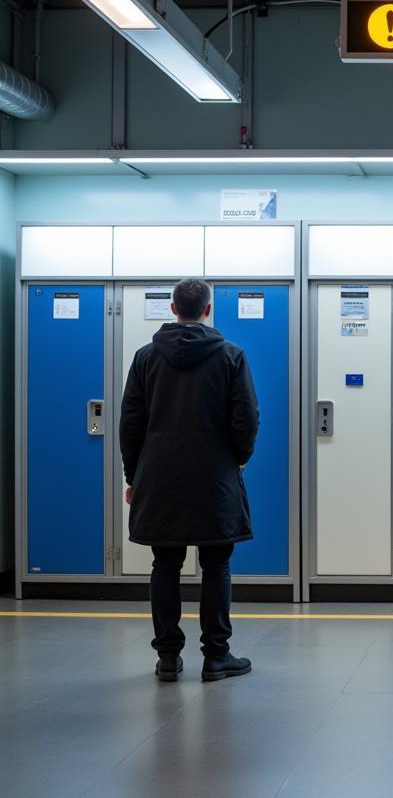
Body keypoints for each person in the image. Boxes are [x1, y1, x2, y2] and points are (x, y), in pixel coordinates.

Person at [119, 277, 258, 683]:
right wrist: (238, 460)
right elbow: (246, 419)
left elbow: (131, 424)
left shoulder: (146, 358)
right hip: (214, 475)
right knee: (217, 564)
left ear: (173, 309)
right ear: (208, 310)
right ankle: (217, 656)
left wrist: (134, 476)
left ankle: (167, 657)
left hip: (159, 476)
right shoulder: (231, 355)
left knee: (164, 564)